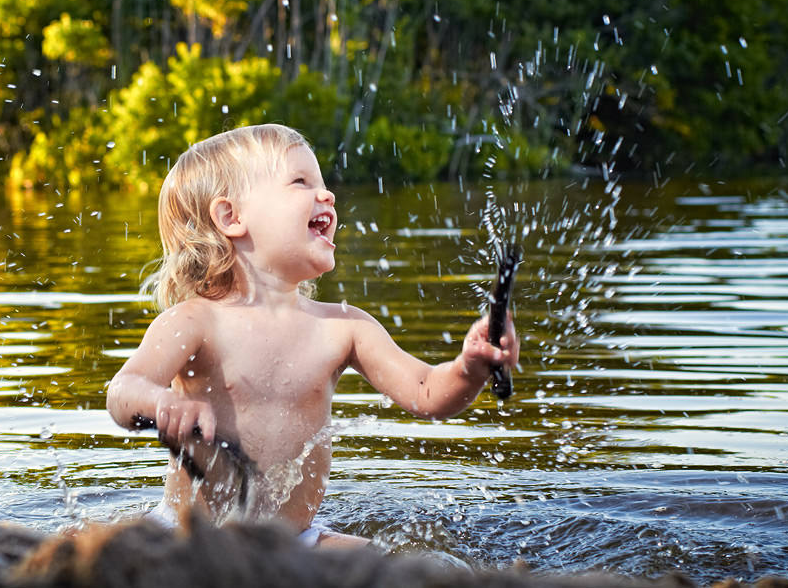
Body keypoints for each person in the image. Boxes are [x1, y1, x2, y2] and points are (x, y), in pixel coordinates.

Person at [105, 124, 519, 548]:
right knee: (92, 555)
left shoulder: (344, 327)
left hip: (296, 543)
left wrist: (470, 366)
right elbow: (121, 392)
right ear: (231, 217)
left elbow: (428, 393)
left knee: (402, 566)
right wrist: (160, 403)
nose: (327, 195)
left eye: (323, 184)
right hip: (188, 541)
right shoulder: (193, 322)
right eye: (301, 182)